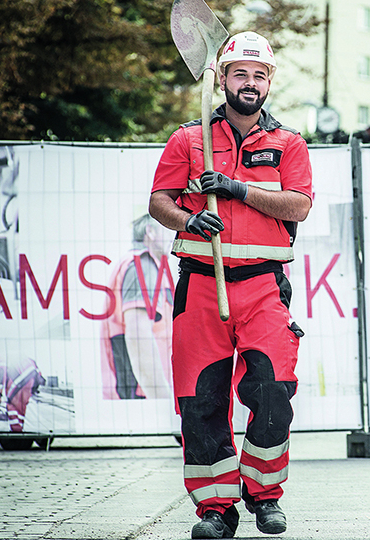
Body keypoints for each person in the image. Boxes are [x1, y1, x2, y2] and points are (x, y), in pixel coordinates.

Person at [149, 31, 313, 540]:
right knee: (201, 400)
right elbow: (159, 201)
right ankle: (215, 509)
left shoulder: (288, 143)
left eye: (258, 75)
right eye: (239, 73)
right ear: (222, 79)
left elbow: (299, 206)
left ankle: (264, 495)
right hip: (200, 286)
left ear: (269, 83)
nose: (249, 83)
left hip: (264, 287)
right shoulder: (189, 137)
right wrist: (187, 221)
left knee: (273, 391)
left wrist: (240, 190)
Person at [99, 214, 174, 400]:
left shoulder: (131, 264)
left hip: (135, 393)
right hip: (145, 397)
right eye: (168, 228)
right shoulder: (144, 264)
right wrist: (164, 401)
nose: (173, 236)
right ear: (150, 232)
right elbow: (140, 337)